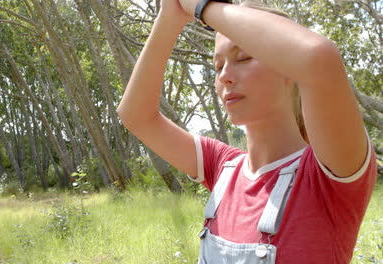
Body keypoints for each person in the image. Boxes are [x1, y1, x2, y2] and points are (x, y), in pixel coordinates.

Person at [116, 0, 377, 263]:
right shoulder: (221, 167)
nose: (225, 76)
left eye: (244, 57)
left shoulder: (329, 176)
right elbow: (137, 116)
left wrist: (200, 6)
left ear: (288, 66)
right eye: (218, 66)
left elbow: (317, 57)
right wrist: (169, 15)